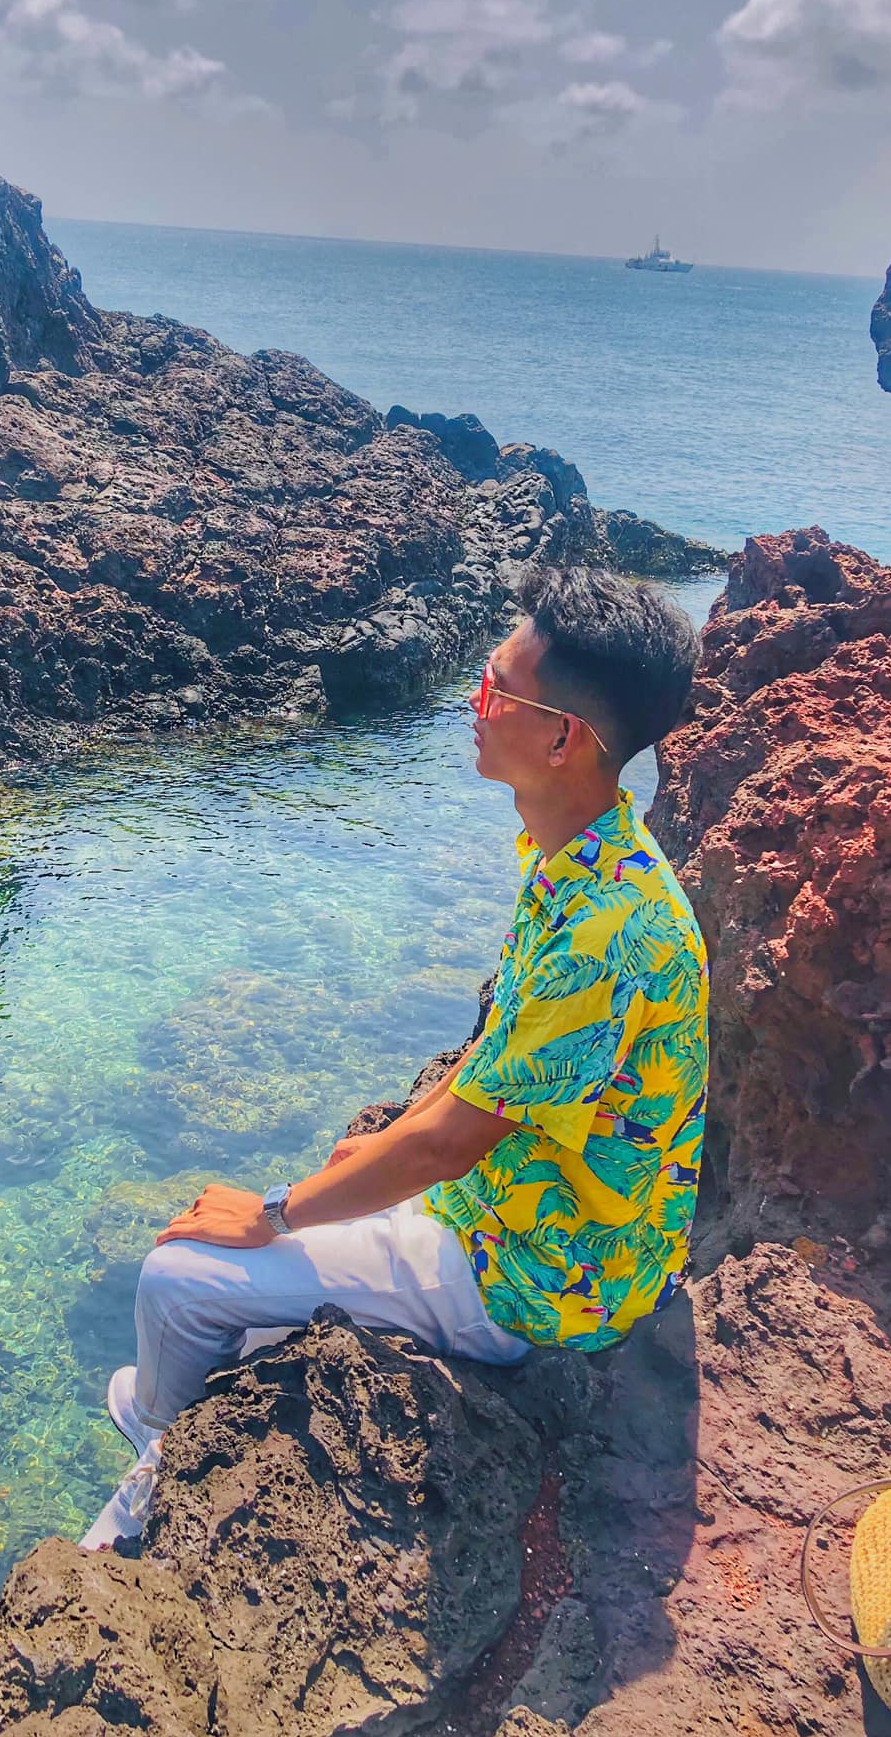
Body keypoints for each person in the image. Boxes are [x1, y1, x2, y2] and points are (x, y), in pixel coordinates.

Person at [81, 564, 709, 1551]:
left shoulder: (605, 930)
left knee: (178, 1275)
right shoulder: (594, 860)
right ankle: (191, 1413)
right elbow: (498, 1063)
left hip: (542, 1273)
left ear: (562, 737)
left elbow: (449, 1145)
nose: (473, 702)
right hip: (551, 1214)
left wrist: (275, 1210)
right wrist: (379, 1152)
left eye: (495, 687)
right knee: (290, 1254)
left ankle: (161, 1448)